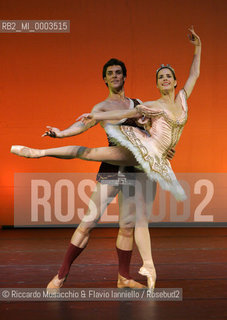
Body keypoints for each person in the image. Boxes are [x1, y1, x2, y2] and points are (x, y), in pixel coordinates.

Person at [11, 24, 201, 288]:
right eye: (110, 73)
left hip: (134, 169)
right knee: (89, 222)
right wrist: (61, 133)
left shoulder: (137, 104)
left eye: (119, 73)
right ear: (105, 79)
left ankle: (123, 277)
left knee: (127, 226)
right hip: (112, 166)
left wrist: (167, 148)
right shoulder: (100, 107)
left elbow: (155, 133)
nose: (115, 76)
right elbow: (83, 125)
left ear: (124, 77)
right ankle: (61, 273)